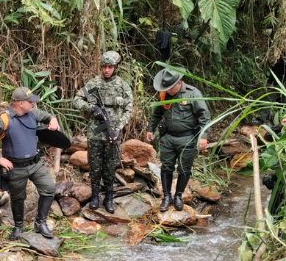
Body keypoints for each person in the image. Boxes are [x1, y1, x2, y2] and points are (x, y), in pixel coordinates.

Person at [0, 87, 59, 240]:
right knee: (18, 198)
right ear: (20, 103)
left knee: (49, 188)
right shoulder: (3, 119)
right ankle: (18, 226)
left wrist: (53, 121)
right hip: (15, 167)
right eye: (30, 101)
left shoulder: (32, 112)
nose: (33, 103)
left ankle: (40, 223)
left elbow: (49, 117)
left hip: (36, 163)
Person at [72, 51, 134, 213]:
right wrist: (91, 108)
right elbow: (77, 100)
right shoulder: (94, 84)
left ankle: (109, 197)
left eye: (110, 67)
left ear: (115, 67)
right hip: (95, 132)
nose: (107, 70)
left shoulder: (122, 86)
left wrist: (118, 127)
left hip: (113, 133)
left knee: (110, 166)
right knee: (95, 166)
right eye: (104, 67)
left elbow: (129, 109)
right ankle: (94, 196)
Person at [146, 67, 211, 212]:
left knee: (184, 169)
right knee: (166, 167)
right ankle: (167, 196)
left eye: (169, 88)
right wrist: (151, 129)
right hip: (168, 138)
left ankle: (178, 196)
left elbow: (204, 117)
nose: (167, 90)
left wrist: (203, 137)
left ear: (178, 83)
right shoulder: (164, 95)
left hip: (188, 138)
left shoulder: (192, 94)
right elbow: (157, 113)